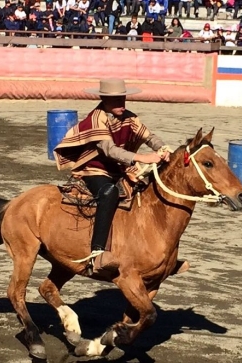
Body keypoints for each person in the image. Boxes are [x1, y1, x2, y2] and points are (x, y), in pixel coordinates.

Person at [53, 78, 170, 273]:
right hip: (95, 169)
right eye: (116, 100)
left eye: (122, 99)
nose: (121, 104)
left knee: (147, 191)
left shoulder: (129, 117)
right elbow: (109, 150)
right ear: (104, 99)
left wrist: (163, 149)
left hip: (118, 168)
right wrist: (142, 158)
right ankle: (96, 252)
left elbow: (149, 137)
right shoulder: (96, 119)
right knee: (108, 193)